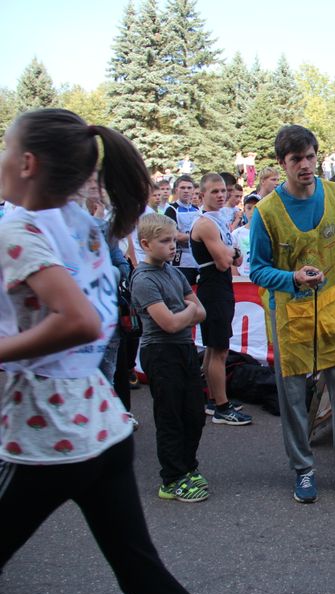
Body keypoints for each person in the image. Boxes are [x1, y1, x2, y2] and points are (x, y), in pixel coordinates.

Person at [0, 108, 196, 594]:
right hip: (102, 427)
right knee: (141, 573)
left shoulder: (20, 231)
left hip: (45, 435)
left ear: (26, 163)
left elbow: (79, 320)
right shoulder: (80, 222)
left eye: (4, 148)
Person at [249, 125, 335, 504]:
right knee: (292, 395)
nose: (305, 166)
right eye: (296, 160)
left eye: (310, 157)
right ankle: (303, 470)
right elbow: (257, 269)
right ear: (282, 164)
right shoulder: (267, 213)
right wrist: (290, 277)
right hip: (289, 313)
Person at [131, 213, 209, 501]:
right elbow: (171, 323)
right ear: (146, 244)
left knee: (194, 413)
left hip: (183, 349)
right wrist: (188, 311)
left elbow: (202, 312)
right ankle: (172, 478)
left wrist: (187, 312)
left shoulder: (174, 273)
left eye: (173, 240)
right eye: (164, 242)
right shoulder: (143, 279)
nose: (172, 246)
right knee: (170, 415)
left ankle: (188, 467)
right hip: (160, 352)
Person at [190, 173, 252, 425]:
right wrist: (230, 252)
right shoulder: (205, 223)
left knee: (214, 348)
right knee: (219, 350)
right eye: (214, 191)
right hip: (212, 288)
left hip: (221, 286)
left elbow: (236, 258)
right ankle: (222, 408)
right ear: (202, 195)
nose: (220, 195)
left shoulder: (219, 221)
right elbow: (224, 260)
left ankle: (213, 399)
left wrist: (231, 252)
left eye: (222, 191)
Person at [164, 175, 201, 285]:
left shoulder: (198, 210)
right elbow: (174, 235)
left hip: (197, 261)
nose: (186, 191)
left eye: (189, 188)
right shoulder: (171, 210)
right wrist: (197, 238)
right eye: (183, 188)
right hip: (180, 261)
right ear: (176, 190)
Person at [232, 195, 259, 277]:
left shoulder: (267, 233)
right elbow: (232, 258)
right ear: (244, 210)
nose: (252, 212)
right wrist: (236, 277)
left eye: (256, 208)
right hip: (242, 278)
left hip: (260, 278)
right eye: (249, 208)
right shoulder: (236, 233)